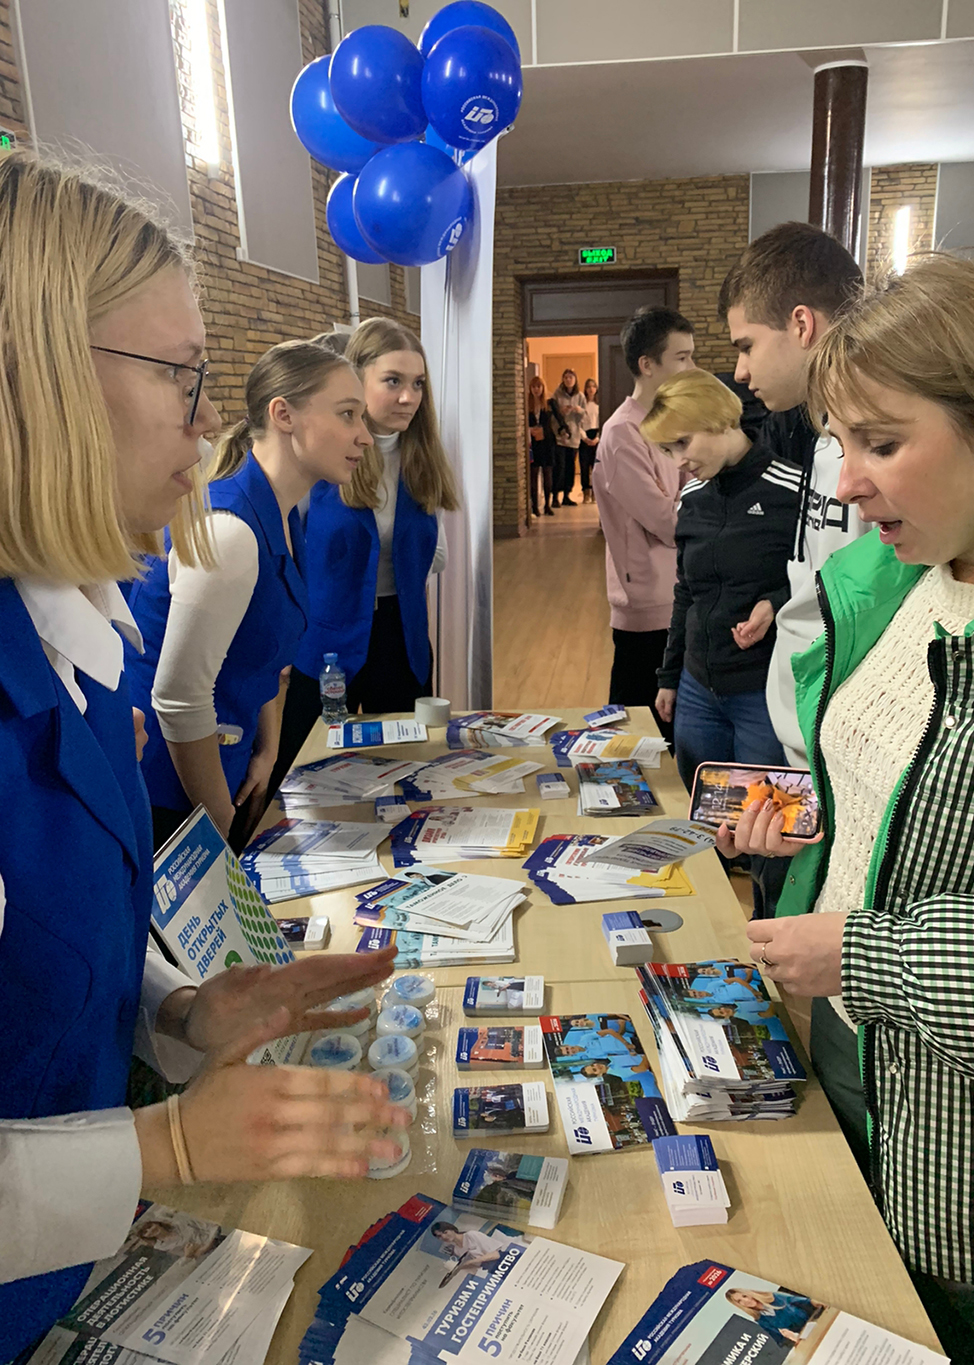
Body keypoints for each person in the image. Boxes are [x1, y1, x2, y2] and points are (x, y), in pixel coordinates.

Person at [0, 152, 408, 1360]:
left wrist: (181, 1011)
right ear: (35, 376)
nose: (201, 418)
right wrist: (165, 1145)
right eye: (178, 374)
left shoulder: (73, 631)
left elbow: (47, 961)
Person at [725, 253, 974, 1365]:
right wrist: (795, 822)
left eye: (882, 444)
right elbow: (891, 797)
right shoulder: (904, 580)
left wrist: (866, 953)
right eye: (841, 444)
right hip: (848, 1053)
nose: (846, 483)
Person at [126, 340, 371, 852]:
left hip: (225, 764)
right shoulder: (231, 533)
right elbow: (178, 699)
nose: (365, 437)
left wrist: (267, 748)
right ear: (283, 414)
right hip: (168, 793)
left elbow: (267, 658)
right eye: (348, 414)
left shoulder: (284, 515)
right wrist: (218, 816)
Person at [272, 319, 459, 789]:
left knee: (402, 771)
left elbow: (437, 555)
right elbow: (284, 552)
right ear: (358, 380)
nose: (408, 397)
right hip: (325, 642)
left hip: (401, 636)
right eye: (392, 381)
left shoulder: (422, 458)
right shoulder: (318, 456)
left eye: (418, 384)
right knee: (309, 774)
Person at [643, 371, 799, 915]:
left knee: (768, 831)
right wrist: (669, 677)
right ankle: (704, 925)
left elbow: (822, 577)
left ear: (717, 420)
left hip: (761, 692)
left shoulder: (792, 489)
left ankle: (769, 932)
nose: (678, 461)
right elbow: (685, 592)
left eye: (682, 443)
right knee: (707, 825)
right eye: (668, 450)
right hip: (698, 686)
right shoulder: (692, 496)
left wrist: (775, 603)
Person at [718, 222, 866, 765]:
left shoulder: (875, 452)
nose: (740, 371)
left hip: (846, 742)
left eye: (747, 346)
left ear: (801, 324)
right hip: (805, 731)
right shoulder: (824, 439)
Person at [592, 306, 696, 731]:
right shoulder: (623, 433)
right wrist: (695, 505)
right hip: (647, 603)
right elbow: (670, 522)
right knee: (638, 730)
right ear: (647, 365)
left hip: (680, 591)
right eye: (682, 358)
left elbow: (694, 492)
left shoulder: (669, 421)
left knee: (672, 727)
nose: (692, 368)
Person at [725, 1288, 820, 1346]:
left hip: (818, 1323)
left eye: (744, 1296)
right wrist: (791, 1338)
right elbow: (781, 1342)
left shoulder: (774, 1297)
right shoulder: (761, 1320)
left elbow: (806, 1302)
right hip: (807, 1340)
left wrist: (815, 1302)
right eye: (740, 1301)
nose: (745, 1301)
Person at [550, 367, 586, 506]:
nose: (568, 380)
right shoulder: (557, 394)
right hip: (560, 437)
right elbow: (551, 414)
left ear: (575, 379)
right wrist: (561, 411)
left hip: (574, 436)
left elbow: (585, 416)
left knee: (570, 468)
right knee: (559, 467)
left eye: (571, 377)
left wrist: (579, 410)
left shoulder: (580, 396)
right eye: (566, 377)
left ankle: (567, 495)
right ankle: (555, 496)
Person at [528, 373, 556, 516]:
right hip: (533, 443)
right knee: (533, 474)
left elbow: (558, 419)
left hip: (547, 442)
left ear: (543, 388)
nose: (536, 389)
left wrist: (563, 430)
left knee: (547, 473)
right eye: (533, 387)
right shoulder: (527, 404)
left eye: (539, 386)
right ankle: (534, 506)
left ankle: (547, 505)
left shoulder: (550, 403)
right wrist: (530, 430)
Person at [579, 377, 601, 502]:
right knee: (584, 466)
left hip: (596, 435)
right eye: (588, 387)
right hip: (585, 436)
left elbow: (602, 421)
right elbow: (579, 423)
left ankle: (595, 492)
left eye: (593, 386)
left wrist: (597, 438)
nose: (591, 389)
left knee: (596, 467)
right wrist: (584, 438)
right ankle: (586, 492)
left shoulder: (599, 404)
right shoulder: (582, 404)